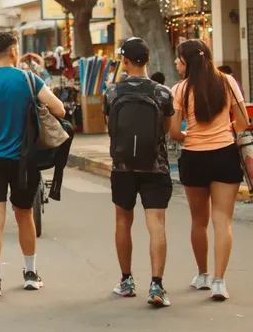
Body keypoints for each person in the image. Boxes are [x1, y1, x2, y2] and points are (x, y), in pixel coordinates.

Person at [0, 31, 66, 299]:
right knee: (25, 215)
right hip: (24, 160)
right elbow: (59, 110)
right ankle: (31, 274)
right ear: (13, 51)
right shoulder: (29, 79)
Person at [170, 39, 250, 301]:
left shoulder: (180, 89)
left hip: (194, 158)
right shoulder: (227, 82)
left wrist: (190, 136)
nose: (176, 62)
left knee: (198, 221)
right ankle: (219, 281)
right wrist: (225, 130)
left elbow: (174, 132)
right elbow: (243, 121)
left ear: (188, 61)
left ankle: (202, 275)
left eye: (179, 58)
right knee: (222, 220)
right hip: (224, 155)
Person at [103, 38, 174, 306]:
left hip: (123, 168)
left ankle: (126, 281)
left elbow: (110, 127)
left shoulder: (112, 92)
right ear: (148, 60)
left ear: (125, 61)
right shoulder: (162, 92)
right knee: (156, 224)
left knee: (123, 221)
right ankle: (157, 286)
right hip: (155, 166)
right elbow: (166, 129)